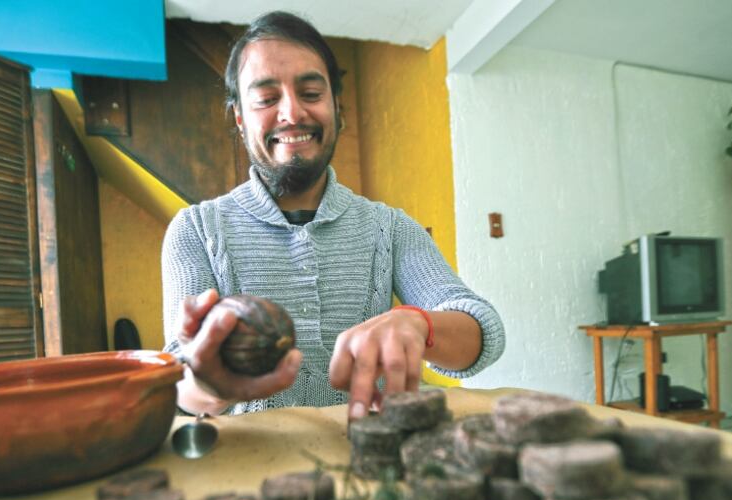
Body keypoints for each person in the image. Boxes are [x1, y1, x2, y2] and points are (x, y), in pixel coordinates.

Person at [162, 11, 504, 419]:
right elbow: (179, 383)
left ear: (337, 109)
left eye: (310, 92)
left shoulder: (389, 228)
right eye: (266, 99)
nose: (292, 113)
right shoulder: (195, 230)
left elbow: (483, 331)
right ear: (240, 117)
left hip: (376, 462)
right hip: (253, 468)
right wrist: (206, 385)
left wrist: (419, 324)